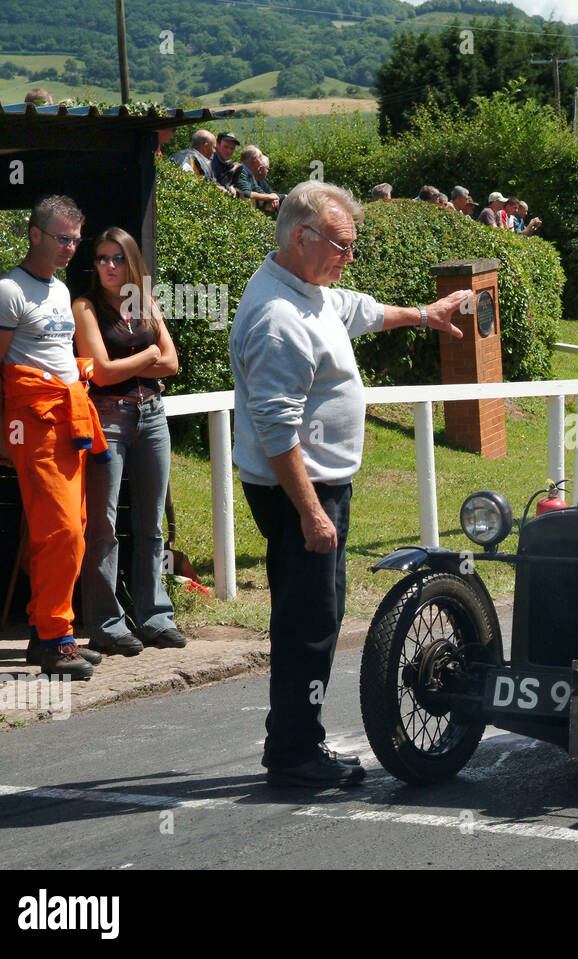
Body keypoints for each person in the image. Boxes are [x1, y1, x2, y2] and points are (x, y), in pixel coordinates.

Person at [230, 181, 470, 788]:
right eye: (341, 245)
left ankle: (292, 743)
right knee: (310, 621)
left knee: (310, 614)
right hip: (302, 491)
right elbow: (277, 429)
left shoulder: (306, 289)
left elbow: (356, 309)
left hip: (315, 486)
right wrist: (312, 514)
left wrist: (425, 315)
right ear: (301, 237)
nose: (349, 257)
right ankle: (294, 753)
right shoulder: (279, 319)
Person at [0, 196, 106, 678]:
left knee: (68, 530)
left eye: (75, 239)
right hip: (34, 425)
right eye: (61, 238)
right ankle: (54, 641)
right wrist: (1, 437)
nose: (70, 247)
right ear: (34, 235)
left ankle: (50, 634)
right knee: (62, 532)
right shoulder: (6, 292)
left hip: (68, 423)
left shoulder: (58, 289)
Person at [72, 228, 187, 655]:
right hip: (108, 418)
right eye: (101, 258)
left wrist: (137, 364)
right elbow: (100, 372)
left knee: (151, 524)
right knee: (102, 526)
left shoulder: (146, 302)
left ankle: (154, 616)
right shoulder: (85, 306)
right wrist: (146, 358)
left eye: (117, 258)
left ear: (131, 262)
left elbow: (172, 362)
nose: (108, 266)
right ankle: (105, 622)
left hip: (153, 416)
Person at [234, 145, 281, 211]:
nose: (261, 163)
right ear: (254, 159)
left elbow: (258, 189)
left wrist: (272, 198)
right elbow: (246, 193)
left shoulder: (249, 173)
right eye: (260, 159)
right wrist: (269, 197)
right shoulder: (239, 170)